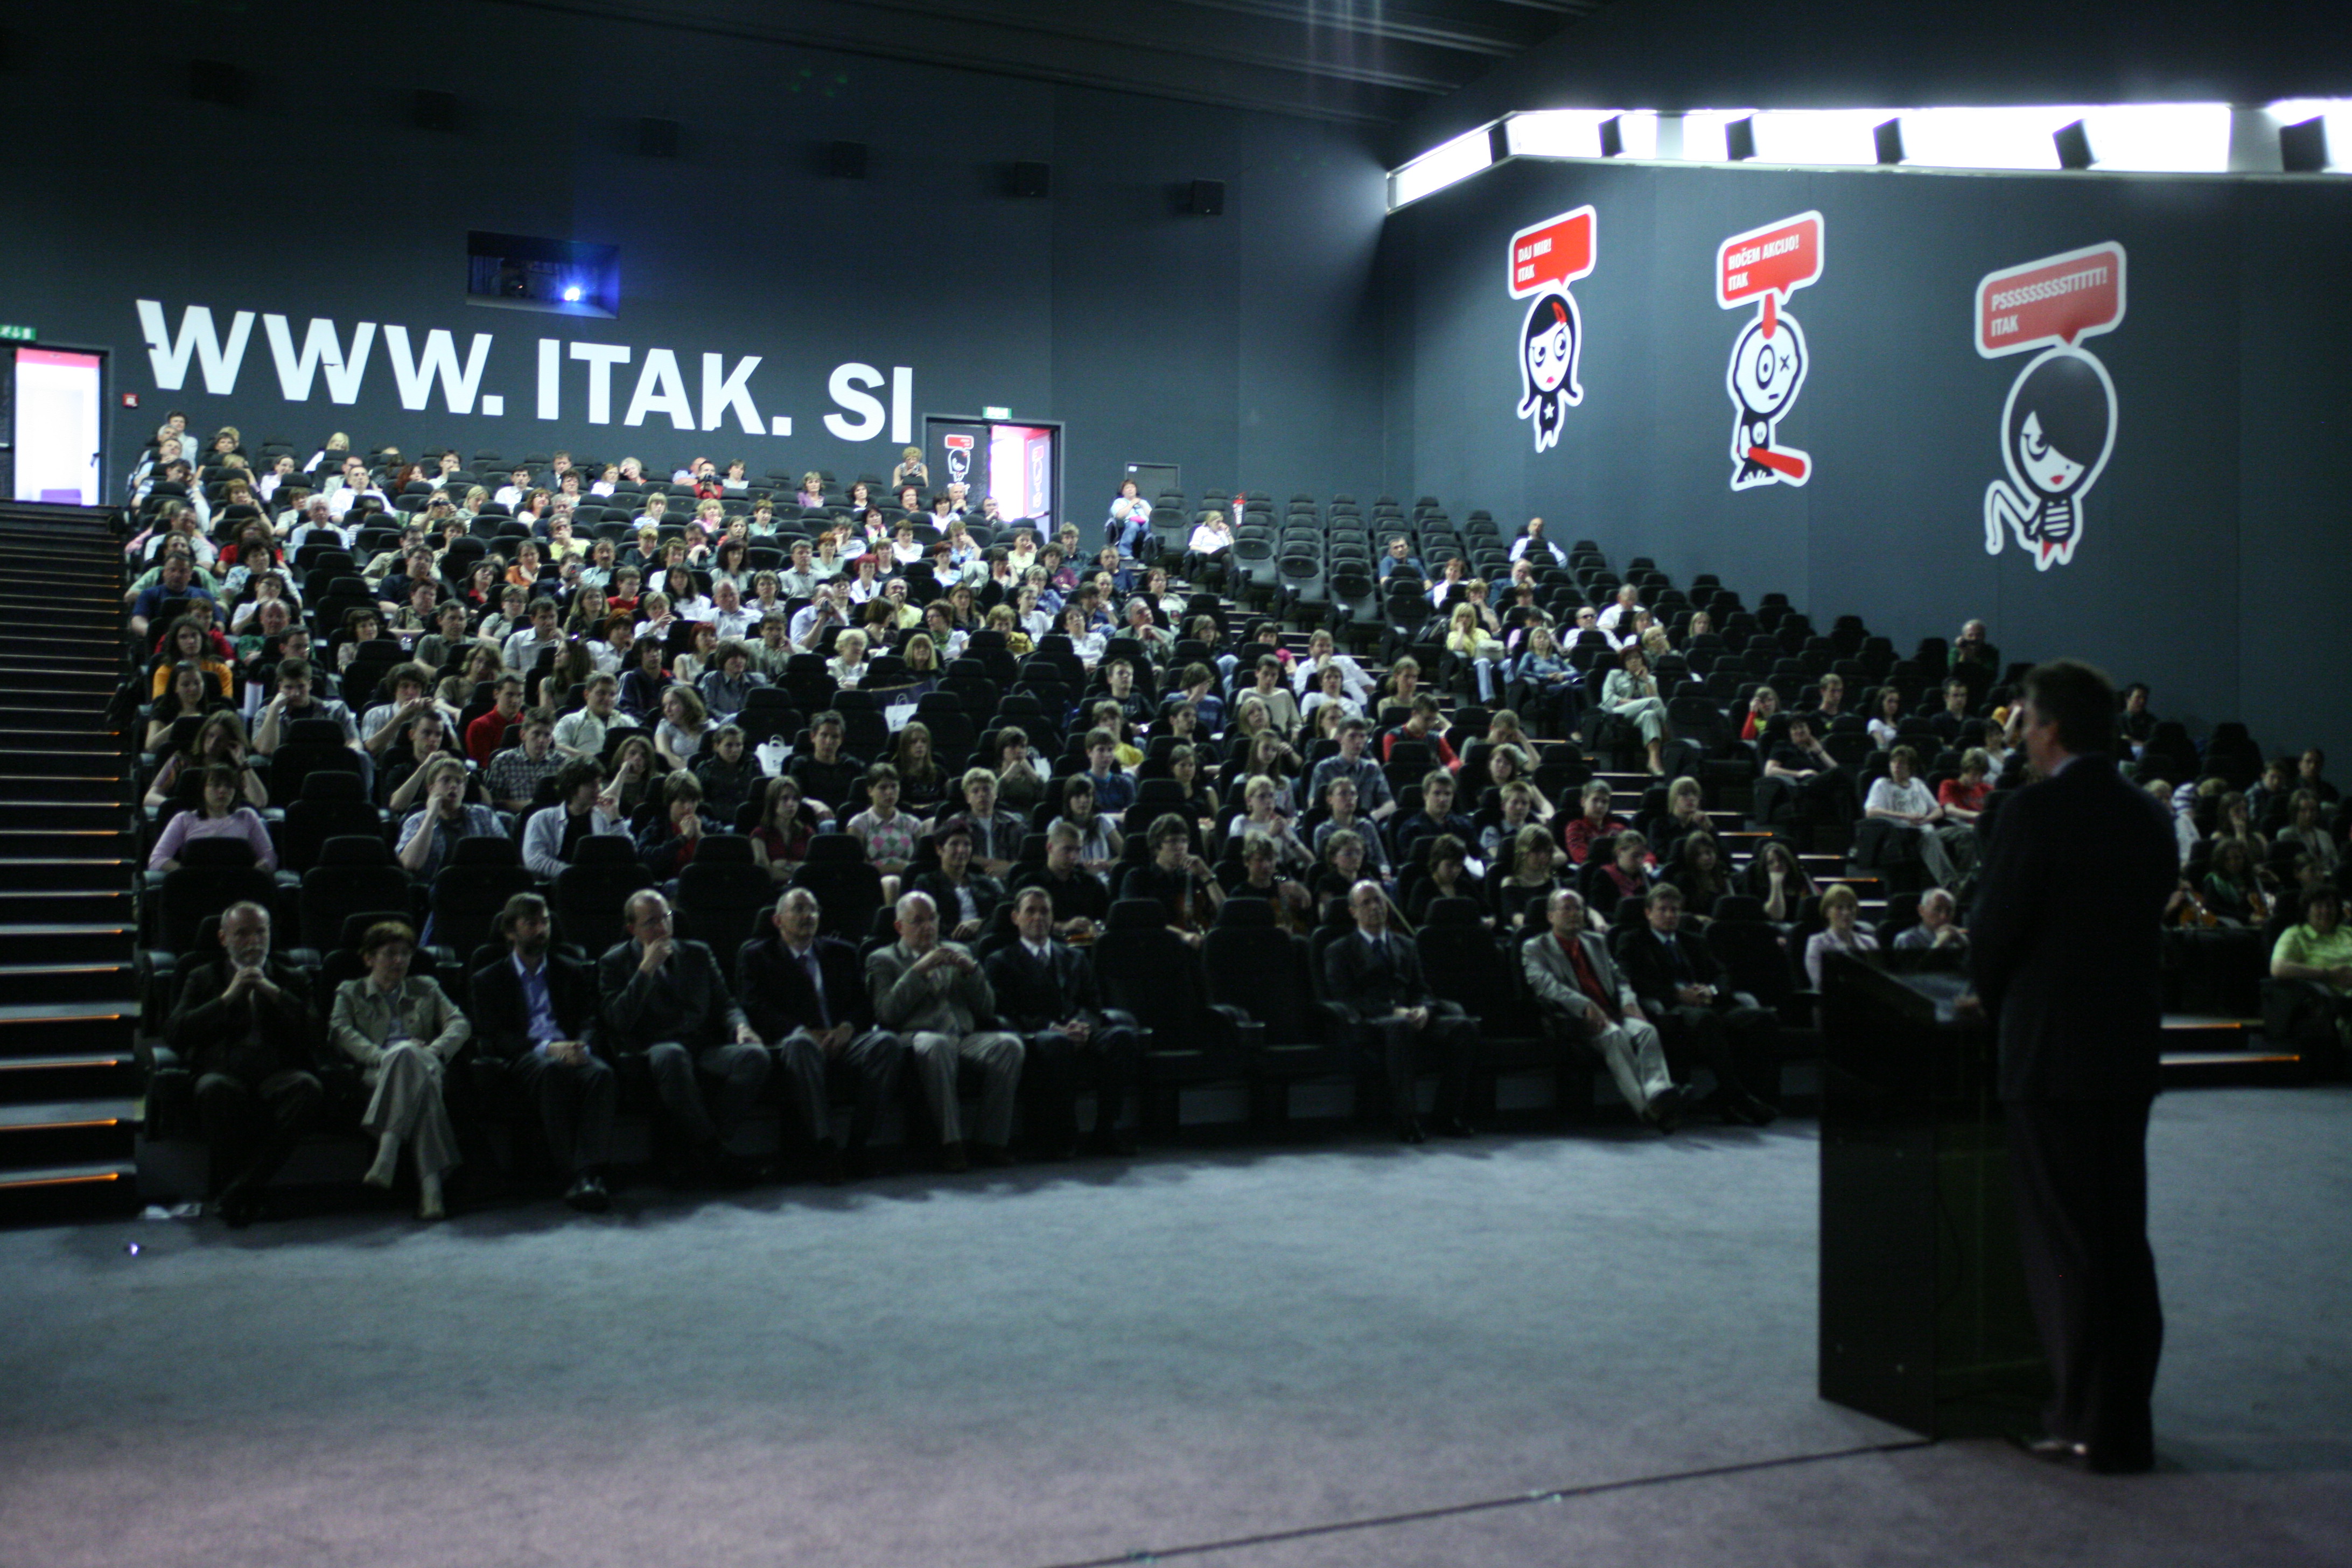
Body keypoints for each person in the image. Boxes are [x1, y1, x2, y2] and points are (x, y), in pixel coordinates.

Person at [1960, 658, 2176, 1474]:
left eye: (2024, 718)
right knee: (2122, 1236)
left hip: (2050, 1054)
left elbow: (1996, 931)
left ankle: (2082, 1419)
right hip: (2127, 1051)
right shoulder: (2148, 815)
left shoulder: (2032, 812)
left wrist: (1986, 994)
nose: (2019, 732)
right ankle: (2125, 1419)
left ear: (2048, 728)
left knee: (2065, 1243)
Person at [166, 902, 323, 1228]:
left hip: (277, 1070)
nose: (254, 941)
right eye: (243, 933)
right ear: (224, 938)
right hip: (223, 1069)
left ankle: (239, 1189)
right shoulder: (202, 976)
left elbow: (316, 1033)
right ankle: (248, 1191)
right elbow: (176, 1033)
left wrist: (273, 992)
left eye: (261, 932)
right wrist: (228, 997)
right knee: (214, 1089)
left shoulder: (292, 976)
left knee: (308, 1087)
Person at [598, 890, 770, 1184]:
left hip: (702, 1046)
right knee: (672, 1055)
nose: (662, 928)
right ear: (632, 928)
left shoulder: (697, 953)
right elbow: (618, 1021)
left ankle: (701, 1147)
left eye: (666, 918)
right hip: (654, 1048)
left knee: (755, 1057)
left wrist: (740, 1027)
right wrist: (646, 970)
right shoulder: (615, 961)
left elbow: (726, 1005)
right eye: (651, 922)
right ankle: (715, 1152)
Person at [737, 888, 907, 1183]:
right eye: (799, 909)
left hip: (842, 1039)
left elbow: (863, 1003)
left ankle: (859, 1144)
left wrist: (847, 1028)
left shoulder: (842, 952)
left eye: (814, 910)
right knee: (800, 1045)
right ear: (778, 920)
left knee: (887, 1044)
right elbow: (754, 1006)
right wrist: (801, 1030)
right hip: (795, 1040)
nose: (809, 916)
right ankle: (824, 1147)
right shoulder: (758, 956)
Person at [468, 893, 614, 1212]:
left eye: (545, 922)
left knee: (601, 1074)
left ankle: (588, 1173)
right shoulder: (488, 978)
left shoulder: (570, 969)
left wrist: (582, 1046)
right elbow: (495, 1035)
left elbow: (590, 1017)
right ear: (511, 932)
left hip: (571, 1049)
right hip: (527, 1056)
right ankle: (573, 1174)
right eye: (531, 923)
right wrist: (549, 1048)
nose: (541, 930)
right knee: (552, 1070)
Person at [866, 891, 1024, 1172]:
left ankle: (991, 1141)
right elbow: (887, 1013)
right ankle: (951, 1143)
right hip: (916, 1036)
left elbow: (987, 1010)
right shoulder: (883, 959)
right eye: (918, 921)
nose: (928, 927)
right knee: (936, 1044)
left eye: (932, 919)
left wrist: (971, 973)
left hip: (962, 1036)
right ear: (899, 926)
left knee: (1009, 1045)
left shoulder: (959, 951)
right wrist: (918, 972)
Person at [328, 920, 471, 1222]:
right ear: (369, 958)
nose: (400, 960)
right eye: (391, 954)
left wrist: (433, 1051)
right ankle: (432, 1190)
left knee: (411, 1058)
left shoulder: (426, 987)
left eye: (405, 954)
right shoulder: (350, 992)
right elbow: (341, 1032)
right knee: (413, 1070)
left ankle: (388, 1150)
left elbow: (459, 1023)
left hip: (427, 1063)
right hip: (378, 1071)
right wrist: (385, 1056)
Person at [985, 887, 1142, 1159]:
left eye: (1044, 911)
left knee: (1122, 1036)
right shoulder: (1001, 961)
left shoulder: (1075, 956)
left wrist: (1082, 1026)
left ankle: (1106, 1130)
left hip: (1078, 1030)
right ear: (1015, 917)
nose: (1038, 917)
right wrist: (1051, 1027)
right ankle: (1064, 1133)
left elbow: (1093, 1003)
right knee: (1057, 1043)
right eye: (1030, 911)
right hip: (1035, 1035)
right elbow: (1005, 1012)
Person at [1322, 879, 1479, 1143]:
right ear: (1353, 912)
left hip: (1411, 1015)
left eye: (1379, 900)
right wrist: (1395, 1012)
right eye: (1366, 903)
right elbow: (1346, 998)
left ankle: (1447, 1114)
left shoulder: (1406, 944)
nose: (1375, 907)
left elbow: (1422, 989)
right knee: (1401, 1026)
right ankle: (1406, 1119)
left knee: (1465, 1028)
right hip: (1371, 1020)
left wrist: (1424, 1009)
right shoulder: (1339, 950)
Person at [1615, 883, 1780, 1125]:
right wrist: (1676, 994)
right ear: (1648, 913)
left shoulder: (1694, 940)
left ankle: (1753, 1096)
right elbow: (1631, 981)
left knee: (1763, 1018)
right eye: (1663, 910)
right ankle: (1737, 1095)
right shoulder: (1633, 940)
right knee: (1705, 1020)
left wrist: (1710, 991)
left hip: (1707, 1003)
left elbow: (1722, 974)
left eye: (1675, 910)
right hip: (1669, 1008)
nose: (1670, 915)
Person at [1522, 888, 1685, 1130]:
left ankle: (1658, 1092)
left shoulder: (1596, 941)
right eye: (1567, 908)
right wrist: (1585, 1005)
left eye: (1579, 908)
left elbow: (1620, 979)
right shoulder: (1536, 947)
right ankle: (1647, 1109)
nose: (1574, 914)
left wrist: (1629, 1001)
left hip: (1612, 1011)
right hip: (1575, 1019)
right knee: (1615, 1036)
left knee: (1646, 1031)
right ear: (1551, 916)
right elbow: (1546, 986)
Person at [1865, 744, 1979, 891]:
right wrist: (1906, 816)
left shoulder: (1918, 784)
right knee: (1928, 834)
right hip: (1902, 834)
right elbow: (1871, 812)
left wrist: (1926, 819)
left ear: (1911, 767)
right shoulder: (1882, 784)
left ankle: (1966, 882)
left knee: (1967, 833)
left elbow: (1938, 810)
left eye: (1902, 763)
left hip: (1927, 826)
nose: (1897, 766)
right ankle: (1952, 885)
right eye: (1894, 762)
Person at [148, 764, 276, 872]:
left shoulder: (247, 816)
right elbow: (157, 860)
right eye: (216, 785)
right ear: (203, 790)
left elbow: (269, 857)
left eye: (229, 786)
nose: (222, 790)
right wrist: (187, 872)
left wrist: (256, 870)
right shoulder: (184, 819)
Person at [1599, 644, 1671, 775]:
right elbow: (1608, 699)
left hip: (1639, 717)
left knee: (1650, 715)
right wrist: (1638, 703)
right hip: (1616, 713)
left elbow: (1655, 705)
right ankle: (1669, 733)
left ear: (1643, 660)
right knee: (1653, 702)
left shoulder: (1651, 679)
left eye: (1637, 657)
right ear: (1624, 663)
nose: (1634, 661)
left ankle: (1654, 761)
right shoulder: (1615, 675)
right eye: (1629, 659)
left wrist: (1646, 681)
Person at [1802, 883, 1880, 988]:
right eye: (1839, 908)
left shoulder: (1870, 942)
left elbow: (1879, 983)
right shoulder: (1818, 943)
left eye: (1850, 907)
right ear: (1827, 912)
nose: (1846, 913)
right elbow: (1819, 984)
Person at [1894, 886, 1970, 953]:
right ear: (1921, 910)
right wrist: (1939, 945)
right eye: (1937, 909)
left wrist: (1965, 943)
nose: (1944, 917)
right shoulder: (1907, 940)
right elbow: (1917, 965)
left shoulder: (1957, 939)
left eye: (1949, 911)